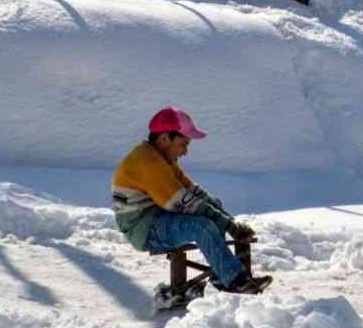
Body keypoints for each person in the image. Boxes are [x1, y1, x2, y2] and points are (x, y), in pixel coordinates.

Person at [111, 106, 270, 294]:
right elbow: (180, 202)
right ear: (164, 138)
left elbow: (192, 191)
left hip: (158, 215)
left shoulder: (161, 158)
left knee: (213, 205)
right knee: (201, 226)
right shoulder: (148, 163)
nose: (185, 151)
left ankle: (223, 277)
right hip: (143, 228)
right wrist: (229, 226)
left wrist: (229, 222)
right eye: (183, 144)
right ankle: (236, 282)